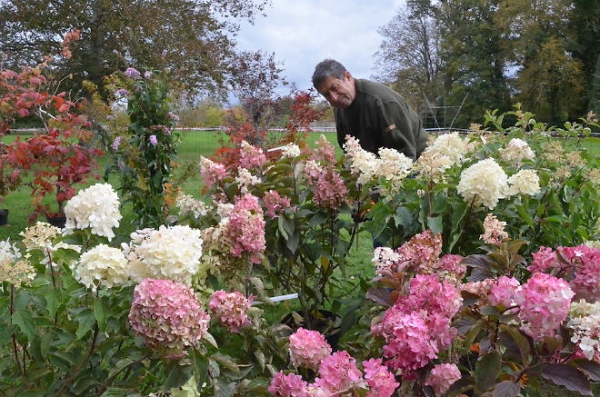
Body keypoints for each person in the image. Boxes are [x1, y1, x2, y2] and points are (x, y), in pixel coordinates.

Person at [311, 58, 428, 160]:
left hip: (418, 162)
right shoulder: (339, 106)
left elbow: (406, 154)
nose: (334, 97)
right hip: (375, 168)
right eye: (326, 94)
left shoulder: (383, 103)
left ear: (348, 77)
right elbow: (347, 149)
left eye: (335, 87)